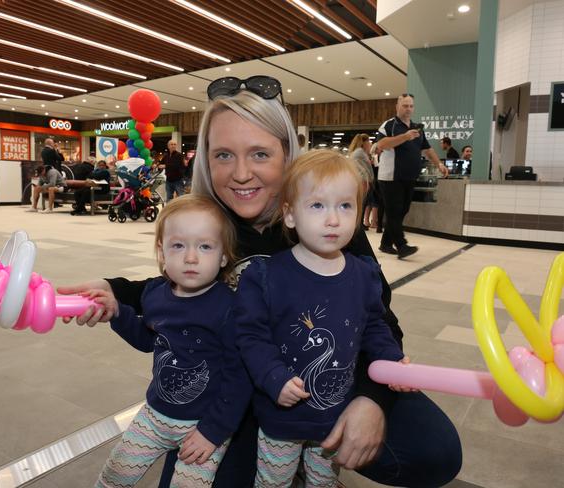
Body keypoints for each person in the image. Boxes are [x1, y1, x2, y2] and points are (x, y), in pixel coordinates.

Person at [59, 77, 461, 488]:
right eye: (223, 155)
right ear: (206, 161)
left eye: (260, 154)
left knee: (433, 450)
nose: (241, 173)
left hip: (318, 382)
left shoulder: (325, 223)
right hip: (236, 395)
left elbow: (379, 319)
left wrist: (370, 399)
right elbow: (178, 282)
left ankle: (312, 454)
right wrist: (113, 289)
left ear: (287, 155)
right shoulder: (212, 222)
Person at [235, 150, 409, 487]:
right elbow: (250, 336)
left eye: (345, 206)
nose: (333, 219)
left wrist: (391, 360)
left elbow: (374, 325)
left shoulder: (363, 274)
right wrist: (273, 376)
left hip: (333, 415)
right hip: (281, 417)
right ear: (289, 215)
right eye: (317, 206)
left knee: (324, 481)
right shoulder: (267, 276)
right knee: (273, 481)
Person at [89, 194, 252, 487]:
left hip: (203, 426)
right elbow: (147, 340)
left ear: (224, 256)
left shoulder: (230, 309)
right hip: (155, 416)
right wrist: (118, 313)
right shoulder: (155, 293)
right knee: (115, 475)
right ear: (162, 253)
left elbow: (239, 378)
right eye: (178, 245)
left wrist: (213, 432)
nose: (191, 257)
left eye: (205, 246)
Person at [377, 95, 449, 259]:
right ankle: (402, 246)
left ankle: (386, 243)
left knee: (403, 210)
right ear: (397, 106)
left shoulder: (417, 128)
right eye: (405, 106)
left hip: (409, 177)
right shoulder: (389, 125)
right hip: (390, 177)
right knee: (394, 212)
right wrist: (405, 137)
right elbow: (381, 145)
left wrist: (439, 164)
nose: (408, 109)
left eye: (411, 106)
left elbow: (427, 149)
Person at [348, 133, 378, 230]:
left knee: (362, 204)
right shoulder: (360, 152)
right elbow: (367, 167)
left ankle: (359, 224)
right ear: (364, 142)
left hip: (362, 180)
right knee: (362, 204)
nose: (370, 143)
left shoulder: (358, 152)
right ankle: (358, 225)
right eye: (368, 141)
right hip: (363, 181)